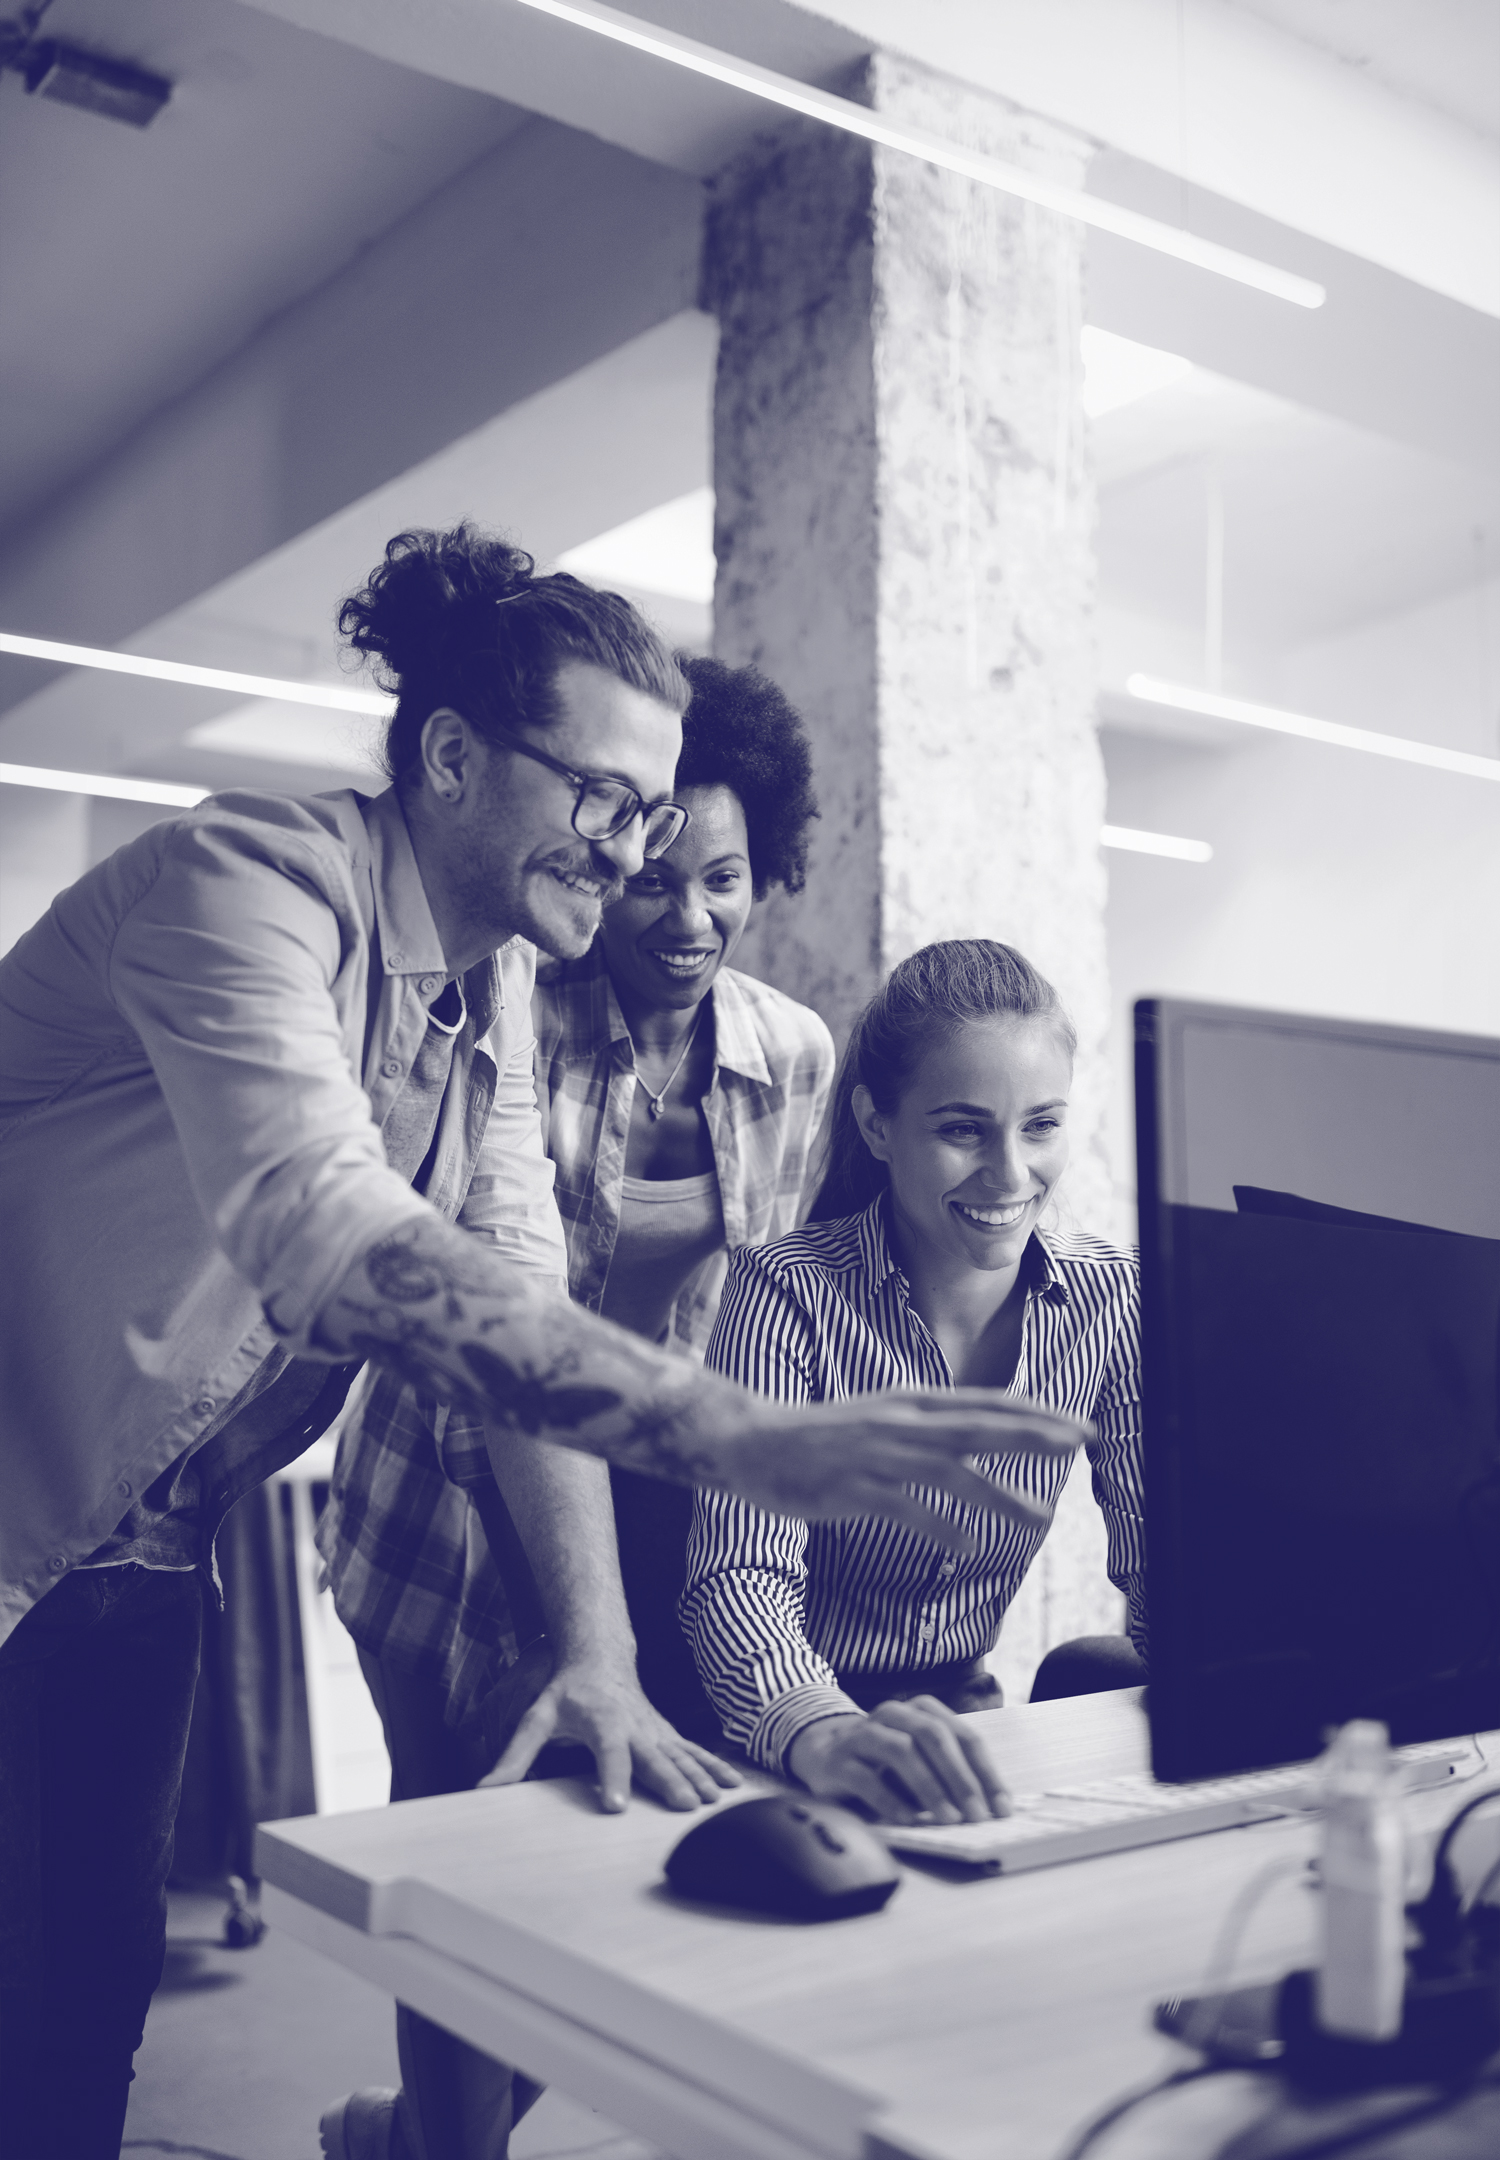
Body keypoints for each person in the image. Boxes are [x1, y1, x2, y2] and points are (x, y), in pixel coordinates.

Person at [0, 523, 1083, 2160]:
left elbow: (510, 1283)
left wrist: (596, 1649)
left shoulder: (484, 986)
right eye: (604, 800)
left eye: (658, 812)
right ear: (449, 758)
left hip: (143, 1545)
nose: (638, 848)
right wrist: (740, 1435)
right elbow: (326, 1225)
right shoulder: (246, 888)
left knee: (72, 2021)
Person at [682, 939, 1148, 1826]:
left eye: (1041, 1125)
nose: (1011, 1175)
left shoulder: (1115, 1295)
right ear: (876, 1126)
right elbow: (741, 1575)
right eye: (962, 1129)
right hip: (782, 1748)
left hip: (961, 1733)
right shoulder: (788, 1290)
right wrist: (824, 1732)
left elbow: (1172, 1557)